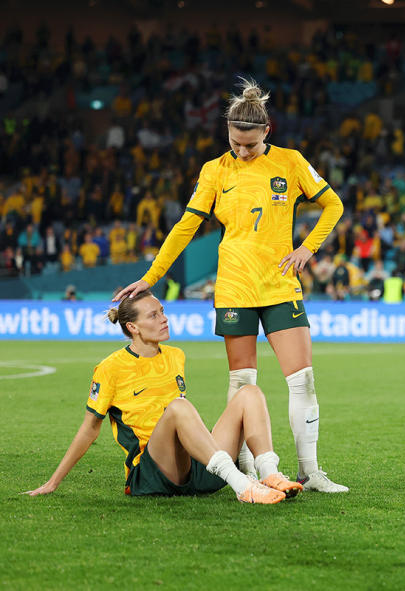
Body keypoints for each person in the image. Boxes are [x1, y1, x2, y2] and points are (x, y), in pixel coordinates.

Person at [114, 79, 347, 492]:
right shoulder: (214, 171)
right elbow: (186, 226)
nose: (241, 151)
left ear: (266, 133)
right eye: (235, 143)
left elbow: (333, 204)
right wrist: (151, 276)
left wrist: (308, 249)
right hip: (235, 288)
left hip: (279, 284)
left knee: (303, 379)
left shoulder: (291, 163)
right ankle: (246, 471)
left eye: (250, 146)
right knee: (243, 384)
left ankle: (310, 472)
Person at [24, 290, 302, 504]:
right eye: (153, 315)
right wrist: (53, 482)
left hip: (194, 464)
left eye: (162, 311)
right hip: (151, 473)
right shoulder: (110, 368)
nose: (164, 318)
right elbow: (89, 430)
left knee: (249, 393)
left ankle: (269, 472)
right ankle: (242, 487)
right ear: (132, 327)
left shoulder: (176, 355)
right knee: (179, 406)